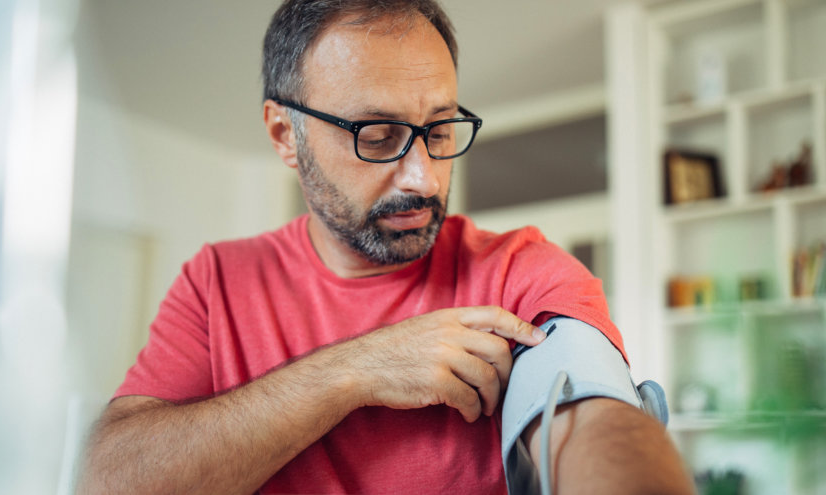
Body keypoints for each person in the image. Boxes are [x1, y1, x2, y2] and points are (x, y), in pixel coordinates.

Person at [79, 1, 694, 494]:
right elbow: (108, 480)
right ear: (283, 135)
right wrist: (355, 370)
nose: (423, 178)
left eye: (441, 129)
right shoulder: (217, 281)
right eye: (378, 136)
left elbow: (595, 421)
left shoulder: (520, 272)